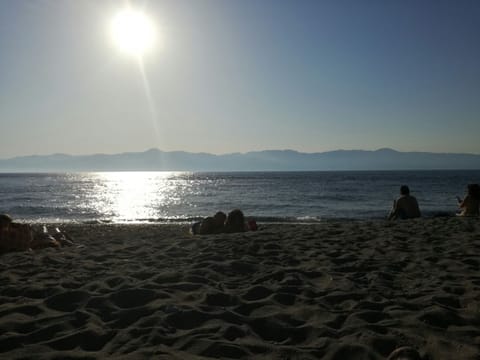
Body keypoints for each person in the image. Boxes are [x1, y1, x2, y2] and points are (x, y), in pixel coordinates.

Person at [0, 214, 72, 254]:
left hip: (32, 240)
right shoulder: (10, 232)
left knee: (45, 234)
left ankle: (56, 231)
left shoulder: (11, 230)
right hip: (32, 241)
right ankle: (57, 231)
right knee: (47, 234)